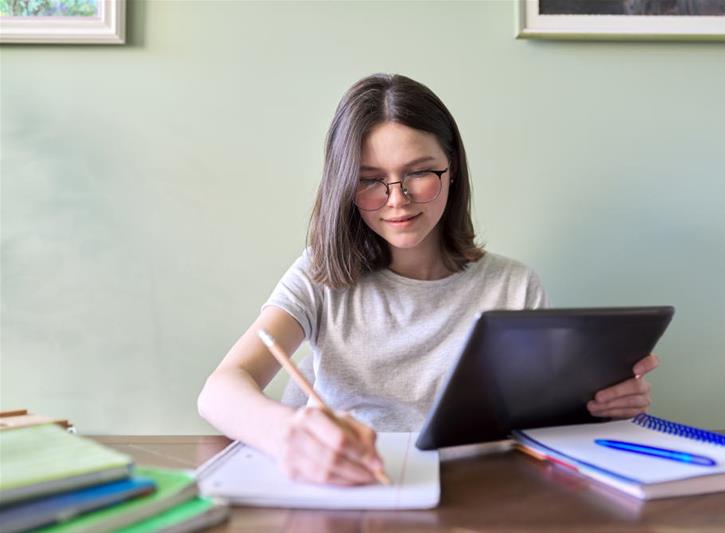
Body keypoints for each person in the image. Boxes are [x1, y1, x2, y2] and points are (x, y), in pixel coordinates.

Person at [197, 73, 659, 487]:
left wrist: (599, 407)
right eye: (370, 180)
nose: (396, 200)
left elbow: (541, 428)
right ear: (344, 187)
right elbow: (220, 390)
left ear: (452, 170)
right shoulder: (321, 273)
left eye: (418, 174)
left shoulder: (513, 286)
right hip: (353, 490)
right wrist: (285, 433)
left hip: (479, 494)